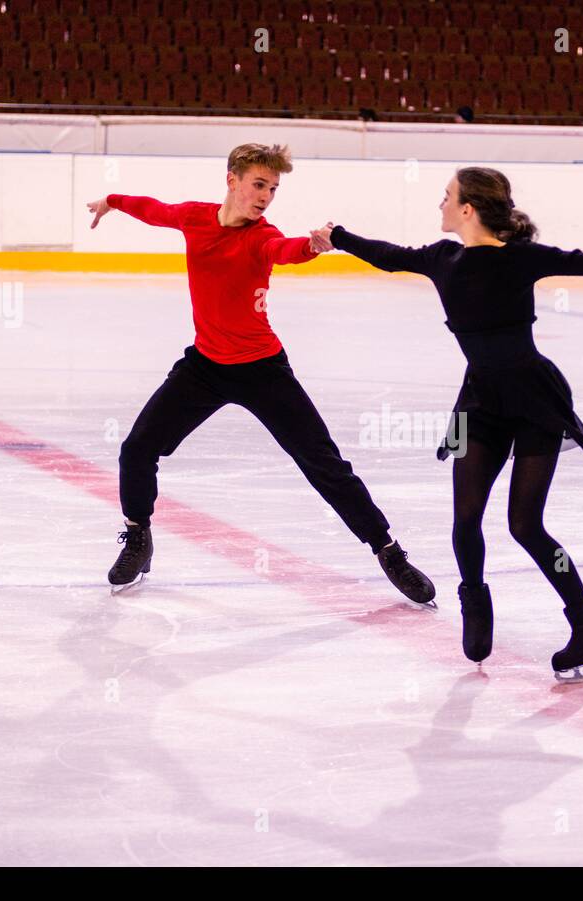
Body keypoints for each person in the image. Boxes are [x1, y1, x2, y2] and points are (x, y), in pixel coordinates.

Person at [309, 167, 583, 680]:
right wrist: (338, 237)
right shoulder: (442, 259)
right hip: (476, 406)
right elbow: (390, 257)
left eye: (446, 198)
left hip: (535, 400)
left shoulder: (521, 260)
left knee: (526, 526)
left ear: (468, 209)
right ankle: (475, 600)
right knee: (465, 519)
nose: (439, 205)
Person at [86, 142, 435, 606]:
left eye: (273, 188)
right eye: (258, 184)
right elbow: (155, 210)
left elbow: (285, 249)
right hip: (205, 366)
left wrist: (314, 245)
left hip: (263, 370)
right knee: (137, 449)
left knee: (325, 466)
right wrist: (112, 202)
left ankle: (388, 551)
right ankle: (137, 537)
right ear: (232, 180)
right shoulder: (194, 217)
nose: (266, 195)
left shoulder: (260, 236)